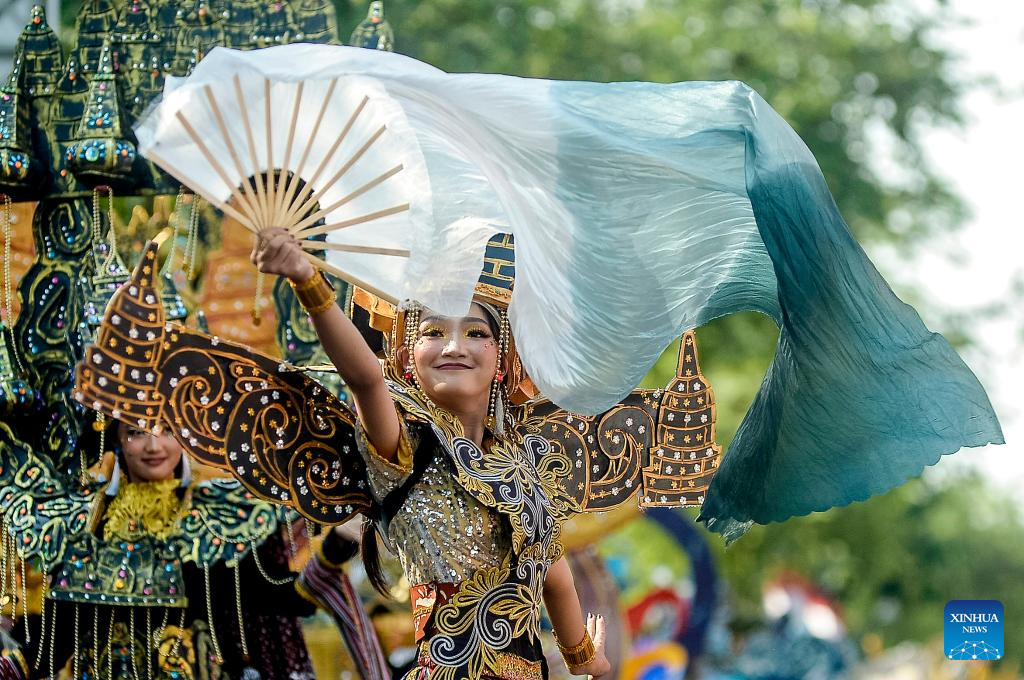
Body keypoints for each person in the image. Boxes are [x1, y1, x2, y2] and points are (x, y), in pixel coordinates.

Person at [251, 227, 611, 680]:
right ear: (410, 358)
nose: (454, 346)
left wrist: (588, 660)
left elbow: (554, 577)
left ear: (501, 361)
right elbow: (364, 377)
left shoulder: (526, 468)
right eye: (435, 332)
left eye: (475, 332)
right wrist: (307, 280)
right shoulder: (401, 448)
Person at [0, 415, 387, 680]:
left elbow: (284, 595)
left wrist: (337, 546)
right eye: (136, 432)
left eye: (166, 429)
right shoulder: (88, 527)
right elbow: (52, 647)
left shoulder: (214, 519)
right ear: (116, 441)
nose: (154, 445)